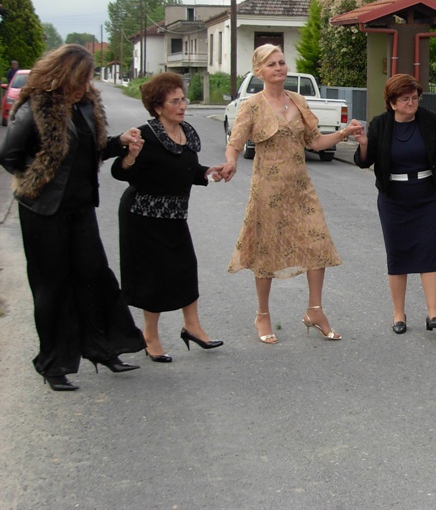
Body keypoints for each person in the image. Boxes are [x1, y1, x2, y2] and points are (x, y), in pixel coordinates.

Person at [0, 44, 145, 391]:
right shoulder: (36, 106)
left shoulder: (86, 105)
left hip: (80, 209)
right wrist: (39, 180)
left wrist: (121, 142)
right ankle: (52, 364)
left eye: (88, 79)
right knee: (52, 288)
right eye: (80, 80)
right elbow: (9, 156)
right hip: (43, 212)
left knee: (95, 278)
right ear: (63, 76)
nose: (85, 86)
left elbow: (93, 150)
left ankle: (102, 349)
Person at [217, 44, 362, 344]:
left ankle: (315, 311)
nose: (279, 68)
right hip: (267, 191)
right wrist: (230, 163)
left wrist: (344, 133)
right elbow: (235, 144)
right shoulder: (252, 106)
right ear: (259, 71)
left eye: (281, 62)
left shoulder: (298, 100)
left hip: (300, 189)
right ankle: (262, 315)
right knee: (266, 252)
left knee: (318, 244)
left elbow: (316, 142)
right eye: (271, 64)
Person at [111, 73, 225, 363]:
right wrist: (130, 157)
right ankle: (150, 336)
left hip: (174, 215)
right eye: (175, 101)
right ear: (158, 107)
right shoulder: (144, 135)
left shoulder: (185, 132)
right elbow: (119, 171)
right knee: (153, 277)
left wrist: (208, 172)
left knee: (186, 267)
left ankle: (192, 327)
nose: (182, 105)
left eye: (183, 99)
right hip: (143, 216)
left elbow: (185, 168)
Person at [352, 74, 436, 334]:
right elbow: (365, 161)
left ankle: (433, 313)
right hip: (393, 198)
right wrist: (363, 144)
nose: (411, 103)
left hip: (427, 196)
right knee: (397, 254)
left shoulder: (429, 120)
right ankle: (399, 314)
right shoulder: (381, 124)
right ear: (392, 102)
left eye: (415, 98)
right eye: (405, 99)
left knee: (429, 251)